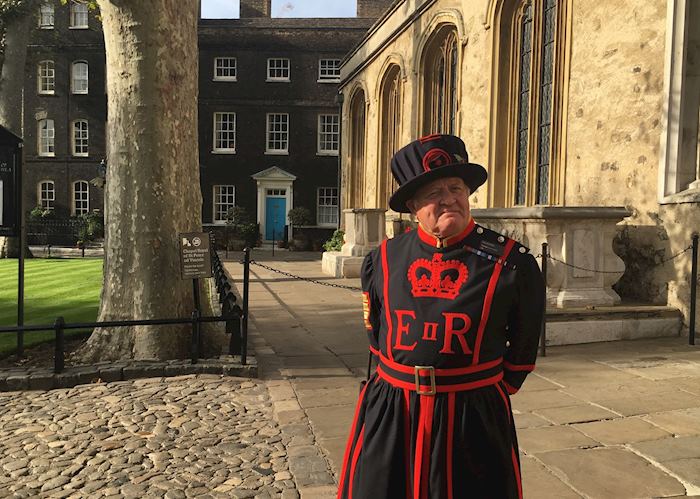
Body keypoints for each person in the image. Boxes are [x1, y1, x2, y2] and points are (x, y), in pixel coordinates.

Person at [337, 134, 545, 499]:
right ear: (413, 205)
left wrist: (480, 390)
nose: (449, 198)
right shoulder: (383, 260)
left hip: (472, 418)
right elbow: (377, 334)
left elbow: (523, 350)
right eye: (434, 193)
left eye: (456, 187)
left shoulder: (512, 263)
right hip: (393, 412)